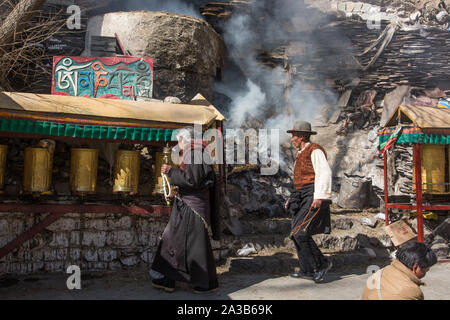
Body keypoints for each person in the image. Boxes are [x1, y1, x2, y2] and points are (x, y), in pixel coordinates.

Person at [150, 127, 220, 294]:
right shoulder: (196, 151)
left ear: (184, 139)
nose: (177, 145)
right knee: (189, 245)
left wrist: (171, 171)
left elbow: (192, 180)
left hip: (191, 207)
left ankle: (170, 280)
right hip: (191, 205)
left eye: (178, 141)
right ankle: (202, 283)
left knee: (174, 242)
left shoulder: (194, 152)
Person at [285, 121, 333, 283]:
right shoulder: (300, 153)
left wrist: (320, 196)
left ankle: (322, 263)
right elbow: (300, 180)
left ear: (304, 136)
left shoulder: (315, 150)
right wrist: (292, 198)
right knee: (295, 233)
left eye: (295, 136)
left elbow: (324, 173)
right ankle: (306, 269)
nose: (292, 139)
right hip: (301, 195)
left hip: (313, 194)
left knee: (300, 232)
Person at [361, 241, 437, 300]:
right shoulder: (411, 290)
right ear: (415, 267)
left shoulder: (380, 272)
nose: (425, 274)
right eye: (426, 270)